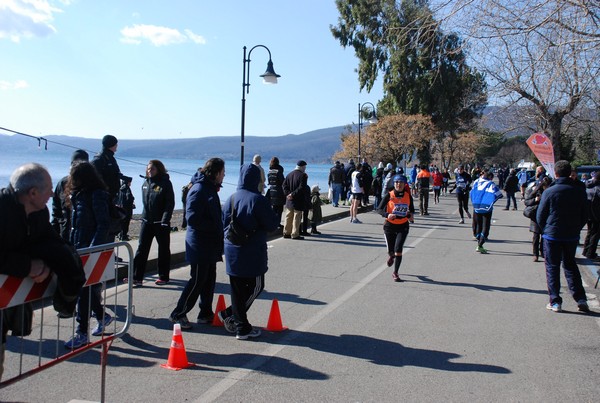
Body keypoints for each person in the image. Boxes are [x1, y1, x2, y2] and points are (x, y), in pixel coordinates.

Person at [1, 163, 86, 377]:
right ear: (32, 193)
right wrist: (28, 266)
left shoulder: (39, 212)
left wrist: (59, 262)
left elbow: (50, 241)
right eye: (48, 189)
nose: (52, 193)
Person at [218, 163, 279, 339]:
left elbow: (223, 224)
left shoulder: (230, 198)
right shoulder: (257, 199)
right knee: (256, 286)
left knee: (237, 289)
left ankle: (237, 322)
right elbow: (272, 224)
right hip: (252, 250)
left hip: (231, 249)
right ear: (257, 180)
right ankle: (238, 322)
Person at [63, 161, 115, 349]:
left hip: (89, 249)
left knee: (83, 290)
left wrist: (92, 250)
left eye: (73, 176)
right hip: (79, 247)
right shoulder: (76, 195)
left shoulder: (97, 194)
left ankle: (82, 332)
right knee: (86, 288)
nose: (71, 179)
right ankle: (102, 316)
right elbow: (73, 225)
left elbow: (103, 223)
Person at [169, 158, 225, 329]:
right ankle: (178, 313)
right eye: (223, 173)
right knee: (198, 280)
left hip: (209, 243)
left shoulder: (209, 188)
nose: (224, 176)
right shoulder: (199, 189)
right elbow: (192, 219)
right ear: (215, 173)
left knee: (209, 279)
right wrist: (214, 227)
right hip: (200, 243)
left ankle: (205, 312)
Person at [536, 160, 590, 313]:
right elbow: (585, 214)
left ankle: (555, 301)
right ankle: (581, 298)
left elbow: (541, 215)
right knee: (571, 266)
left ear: (556, 173)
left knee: (552, 267)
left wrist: (546, 229)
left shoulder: (549, 191)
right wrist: (576, 228)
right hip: (571, 235)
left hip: (552, 235)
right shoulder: (579, 190)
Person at [130, 160, 175, 286]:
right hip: (146, 221)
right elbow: (146, 204)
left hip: (161, 223)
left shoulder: (165, 183)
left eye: (152, 169)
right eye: (148, 169)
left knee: (163, 250)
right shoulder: (146, 183)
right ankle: (136, 277)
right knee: (142, 249)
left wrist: (165, 220)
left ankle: (163, 276)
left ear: (159, 170)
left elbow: (169, 203)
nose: (149, 171)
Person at [377, 174, 415, 282]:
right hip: (389, 226)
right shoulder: (389, 195)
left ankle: (395, 272)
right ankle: (391, 256)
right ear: (394, 184)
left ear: (404, 184)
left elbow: (411, 210)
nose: (399, 184)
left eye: (401, 183)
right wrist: (387, 215)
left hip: (403, 225)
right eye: (397, 182)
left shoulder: (408, 196)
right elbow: (378, 209)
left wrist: (410, 216)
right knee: (391, 251)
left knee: (398, 249)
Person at [52, 149, 89, 241]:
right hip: (66, 232)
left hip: (84, 235)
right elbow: (56, 211)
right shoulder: (63, 183)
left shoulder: (92, 184)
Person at [470, 170, 503, 254]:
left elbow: (471, 192)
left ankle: (478, 241)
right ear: (490, 177)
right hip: (486, 207)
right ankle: (480, 245)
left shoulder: (477, 182)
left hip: (476, 206)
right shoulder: (490, 184)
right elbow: (499, 194)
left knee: (478, 225)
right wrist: (491, 201)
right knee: (486, 226)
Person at [91, 134, 128, 203]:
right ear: (111, 145)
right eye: (115, 144)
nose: (117, 146)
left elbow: (115, 172)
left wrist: (124, 178)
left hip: (112, 195)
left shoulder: (110, 158)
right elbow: (95, 178)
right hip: (103, 196)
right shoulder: (99, 159)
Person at [524, 176, 552, 262]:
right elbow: (527, 202)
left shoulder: (551, 192)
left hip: (546, 216)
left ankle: (543, 252)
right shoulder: (536, 191)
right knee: (536, 236)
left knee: (544, 236)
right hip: (535, 215)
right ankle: (535, 254)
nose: (547, 188)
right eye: (545, 186)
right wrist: (536, 200)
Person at [282, 160, 308, 239]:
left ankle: (286, 232)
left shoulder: (289, 174)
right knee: (297, 217)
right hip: (298, 199)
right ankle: (295, 234)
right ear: (302, 167)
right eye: (304, 167)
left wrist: (288, 194)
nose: (305, 169)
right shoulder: (303, 175)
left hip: (289, 200)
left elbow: (284, 185)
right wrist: (292, 194)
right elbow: (302, 188)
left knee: (288, 216)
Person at [582, 171, 600, 259]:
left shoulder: (588, 186)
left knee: (590, 233)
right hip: (596, 215)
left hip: (588, 214)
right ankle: (590, 253)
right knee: (595, 234)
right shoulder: (598, 188)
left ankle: (586, 251)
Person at [267, 157, 285, 228]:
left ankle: (273, 223)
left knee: (274, 208)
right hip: (279, 191)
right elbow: (282, 182)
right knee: (280, 209)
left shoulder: (269, 172)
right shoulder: (279, 172)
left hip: (271, 191)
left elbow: (269, 182)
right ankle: (278, 223)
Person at [116, 176, 135, 241]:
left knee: (121, 223)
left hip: (120, 208)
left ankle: (120, 235)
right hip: (127, 209)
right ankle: (124, 236)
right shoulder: (127, 189)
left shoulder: (120, 188)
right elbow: (129, 198)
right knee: (126, 223)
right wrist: (132, 202)